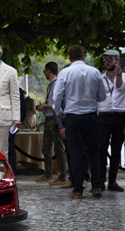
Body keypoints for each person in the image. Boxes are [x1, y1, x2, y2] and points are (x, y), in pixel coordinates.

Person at [53, 45, 106, 199]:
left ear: (70, 58)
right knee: (94, 152)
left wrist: (59, 112)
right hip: (91, 116)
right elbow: (102, 96)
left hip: (73, 117)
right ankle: (97, 186)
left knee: (76, 153)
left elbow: (57, 97)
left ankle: (77, 188)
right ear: (83, 56)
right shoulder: (95, 72)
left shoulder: (65, 73)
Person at [36, 62, 68, 186]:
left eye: (45, 72)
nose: (45, 74)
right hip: (49, 118)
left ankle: (62, 176)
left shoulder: (56, 84)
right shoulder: (52, 84)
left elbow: (57, 104)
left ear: (48, 71)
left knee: (59, 148)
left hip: (55, 118)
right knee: (46, 147)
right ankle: (48, 173)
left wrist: (44, 106)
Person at [98, 49, 125, 192]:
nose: (106, 62)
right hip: (103, 116)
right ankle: (101, 181)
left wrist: (119, 75)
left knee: (116, 150)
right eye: (105, 59)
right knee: (101, 149)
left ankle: (112, 181)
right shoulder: (100, 79)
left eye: (110, 59)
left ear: (117, 61)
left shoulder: (124, 78)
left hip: (120, 117)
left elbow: (120, 88)